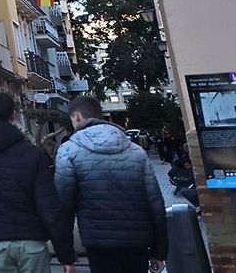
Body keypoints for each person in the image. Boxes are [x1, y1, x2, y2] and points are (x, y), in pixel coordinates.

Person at [0, 90, 75, 273]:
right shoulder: (32, 154)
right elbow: (50, 209)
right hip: (32, 244)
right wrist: (66, 256)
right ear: (13, 115)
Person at [55, 95, 169, 273]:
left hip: (98, 242)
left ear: (76, 116)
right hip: (137, 241)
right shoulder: (136, 152)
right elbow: (155, 204)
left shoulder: (69, 151)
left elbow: (63, 207)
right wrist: (159, 251)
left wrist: (66, 255)